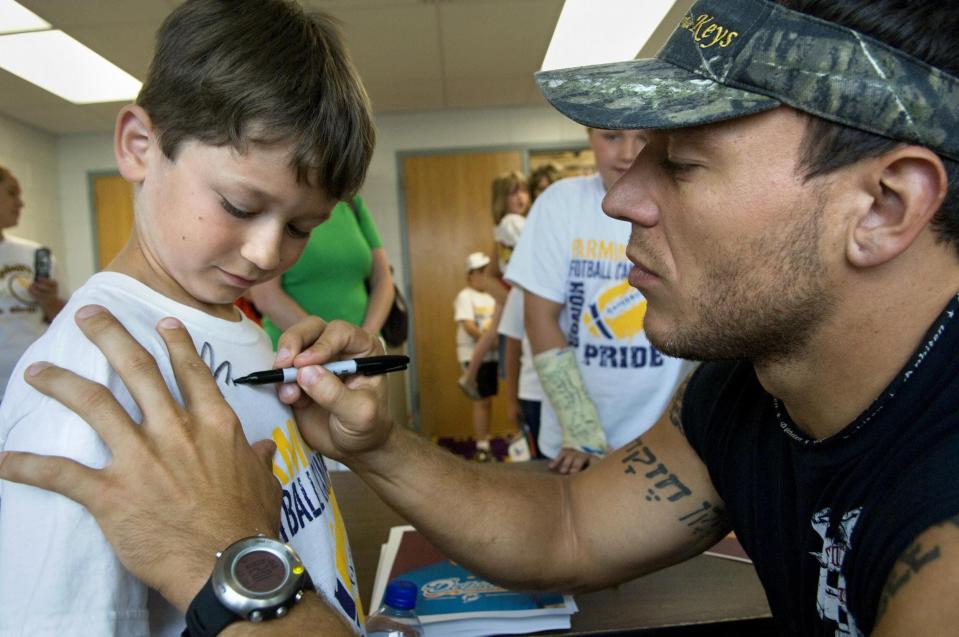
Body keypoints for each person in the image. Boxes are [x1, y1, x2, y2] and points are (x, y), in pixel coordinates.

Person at [4, 0, 959, 634]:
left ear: (881, 207)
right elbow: (571, 526)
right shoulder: (746, 398)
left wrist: (236, 564)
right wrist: (377, 446)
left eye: (682, 163)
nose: (617, 198)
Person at [0, 0, 374, 634]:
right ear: (140, 146)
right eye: (237, 204)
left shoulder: (234, 323)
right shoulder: (89, 379)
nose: (265, 254)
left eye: (301, 228)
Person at [507, 128, 693, 473]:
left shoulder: (689, 202)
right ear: (589, 135)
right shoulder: (560, 203)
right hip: (572, 442)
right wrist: (582, 430)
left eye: (642, 137)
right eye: (611, 137)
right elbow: (539, 318)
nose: (627, 152)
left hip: (668, 441)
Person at [250, 194, 395, 348]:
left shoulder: (352, 203)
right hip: (298, 353)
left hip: (361, 353)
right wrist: (328, 345)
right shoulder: (283, 199)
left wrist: (365, 338)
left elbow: (383, 279)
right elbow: (266, 297)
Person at [0, 165, 66, 401]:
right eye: (11, 193)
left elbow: (63, 320)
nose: (21, 203)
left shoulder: (33, 254)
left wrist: (49, 300)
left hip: (31, 381)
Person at [453, 252, 499, 461]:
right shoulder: (465, 296)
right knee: (480, 399)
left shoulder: (493, 295)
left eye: (485, 271)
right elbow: (468, 325)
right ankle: (482, 446)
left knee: (487, 399)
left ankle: (485, 440)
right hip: (472, 355)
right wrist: (489, 340)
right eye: (479, 272)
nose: (483, 276)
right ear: (469, 275)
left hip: (492, 356)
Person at [497, 286, 545, 458]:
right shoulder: (520, 290)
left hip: (580, 392)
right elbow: (512, 346)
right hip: (534, 394)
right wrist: (511, 400)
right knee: (542, 461)